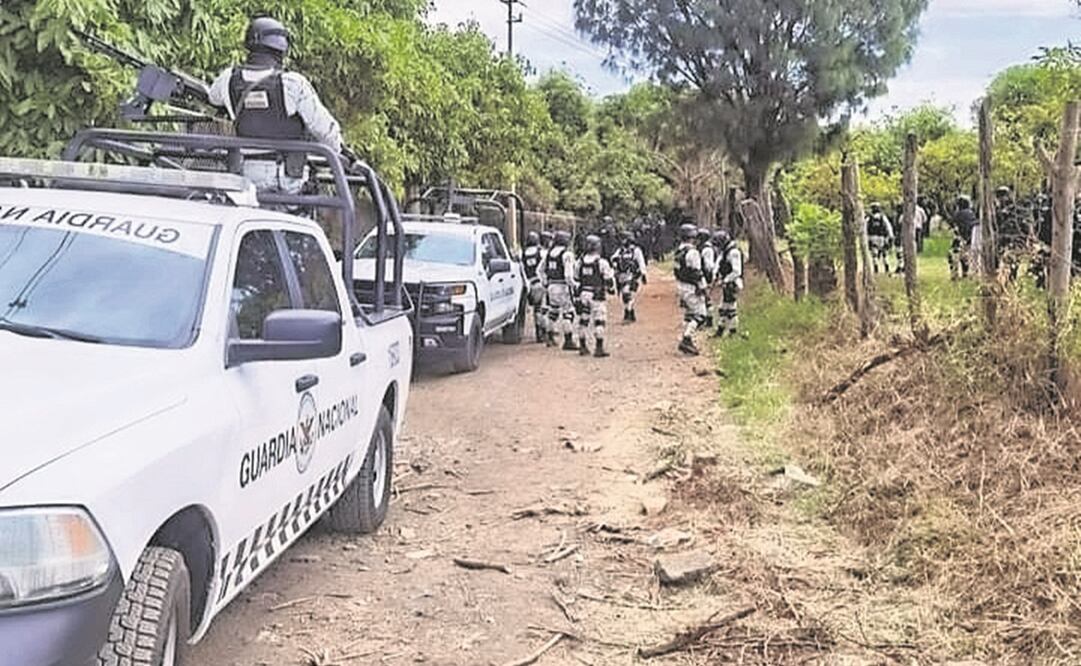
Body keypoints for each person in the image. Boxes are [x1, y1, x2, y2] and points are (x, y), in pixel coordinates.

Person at [208, 17, 343, 194]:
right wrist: (338, 152)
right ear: (281, 48)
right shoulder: (293, 84)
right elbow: (325, 131)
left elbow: (212, 99)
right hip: (288, 179)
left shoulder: (228, 78)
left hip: (245, 177)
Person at [574, 235, 617, 357]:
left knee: (583, 320)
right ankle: (599, 348)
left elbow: (576, 279)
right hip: (597, 295)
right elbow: (608, 280)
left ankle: (582, 346)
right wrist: (611, 289)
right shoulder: (601, 262)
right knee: (599, 321)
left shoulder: (580, 262)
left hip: (583, 293)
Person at [541, 230, 579, 350]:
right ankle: (568, 340)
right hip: (563, 287)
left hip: (551, 287)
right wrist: (574, 285)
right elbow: (568, 275)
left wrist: (545, 282)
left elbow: (540, 270)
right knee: (568, 313)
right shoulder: (567, 254)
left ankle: (550, 337)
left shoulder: (549, 253)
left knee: (553, 312)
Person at [674, 224, 708, 356]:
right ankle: (686, 339)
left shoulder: (679, 251)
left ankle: (687, 337)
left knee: (689, 314)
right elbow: (696, 273)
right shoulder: (692, 252)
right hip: (691, 287)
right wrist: (703, 287)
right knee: (701, 315)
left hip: (681, 285)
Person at [995, 186, 1031, 281]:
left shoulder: (1015, 210)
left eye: (1003, 196)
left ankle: (1009, 284)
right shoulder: (998, 211)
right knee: (1006, 266)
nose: (1002, 199)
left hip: (1013, 241)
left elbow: (1025, 226)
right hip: (1005, 241)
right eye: (1000, 196)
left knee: (1011, 265)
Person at [712, 230, 744, 337]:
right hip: (727, 282)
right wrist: (716, 276)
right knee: (724, 308)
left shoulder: (733, 252)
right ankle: (721, 330)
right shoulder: (725, 251)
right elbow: (719, 264)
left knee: (731, 308)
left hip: (733, 283)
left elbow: (736, 271)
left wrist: (725, 280)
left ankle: (732, 331)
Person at [611, 231, 647, 323]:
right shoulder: (620, 251)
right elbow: (613, 258)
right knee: (624, 296)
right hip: (621, 276)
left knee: (627, 294)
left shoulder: (636, 250)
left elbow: (641, 262)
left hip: (632, 276)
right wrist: (615, 264)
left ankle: (627, 313)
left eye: (624, 239)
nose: (622, 241)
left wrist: (643, 274)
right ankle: (631, 312)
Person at [522, 231, 549, 343]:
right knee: (543, 308)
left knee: (536, 309)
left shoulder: (523, 253)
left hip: (529, 283)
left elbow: (522, 270)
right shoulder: (541, 252)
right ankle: (543, 332)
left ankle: (539, 332)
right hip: (539, 282)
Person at [949, 196, 977, 280]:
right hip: (970, 238)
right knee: (965, 257)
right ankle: (965, 273)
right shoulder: (971, 213)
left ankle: (954, 274)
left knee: (953, 256)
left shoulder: (959, 214)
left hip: (961, 238)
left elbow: (953, 224)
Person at [865, 203, 894, 274]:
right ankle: (886, 267)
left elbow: (865, 228)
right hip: (882, 238)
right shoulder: (883, 217)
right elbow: (888, 227)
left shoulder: (869, 218)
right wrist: (890, 236)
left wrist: (866, 238)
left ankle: (876, 267)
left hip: (872, 237)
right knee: (884, 254)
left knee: (874, 254)